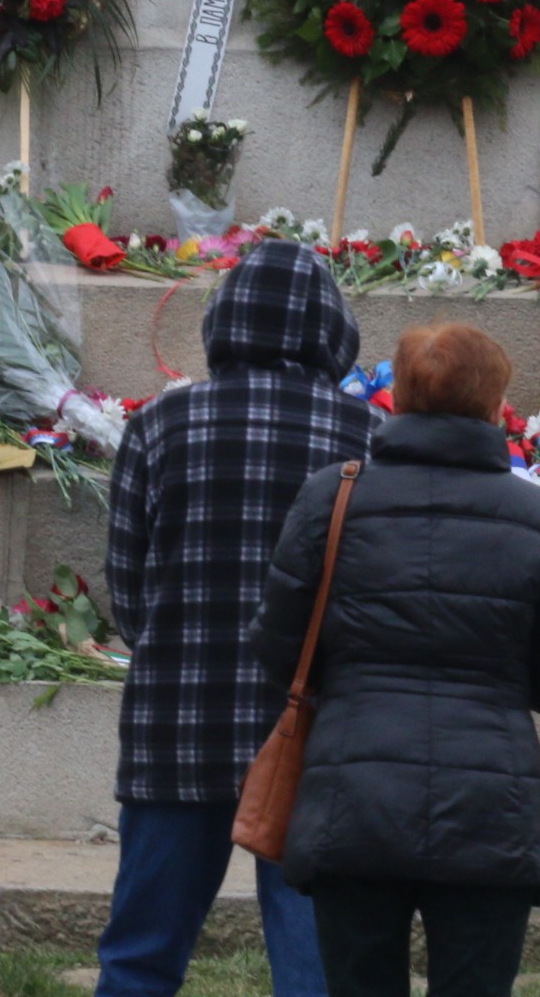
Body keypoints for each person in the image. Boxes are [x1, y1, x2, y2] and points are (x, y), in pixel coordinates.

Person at [251, 322, 540, 997]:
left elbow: (277, 649)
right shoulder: (534, 514)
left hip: (352, 802)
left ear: (401, 396)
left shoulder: (334, 496)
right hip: (490, 810)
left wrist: (353, 684)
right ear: (496, 403)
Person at [97, 238, 374, 997]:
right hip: (314, 735)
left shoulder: (159, 424)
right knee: (314, 966)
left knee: (140, 956)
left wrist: (170, 647)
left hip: (178, 723)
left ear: (222, 321)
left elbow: (127, 589)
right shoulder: (365, 438)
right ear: (332, 329)